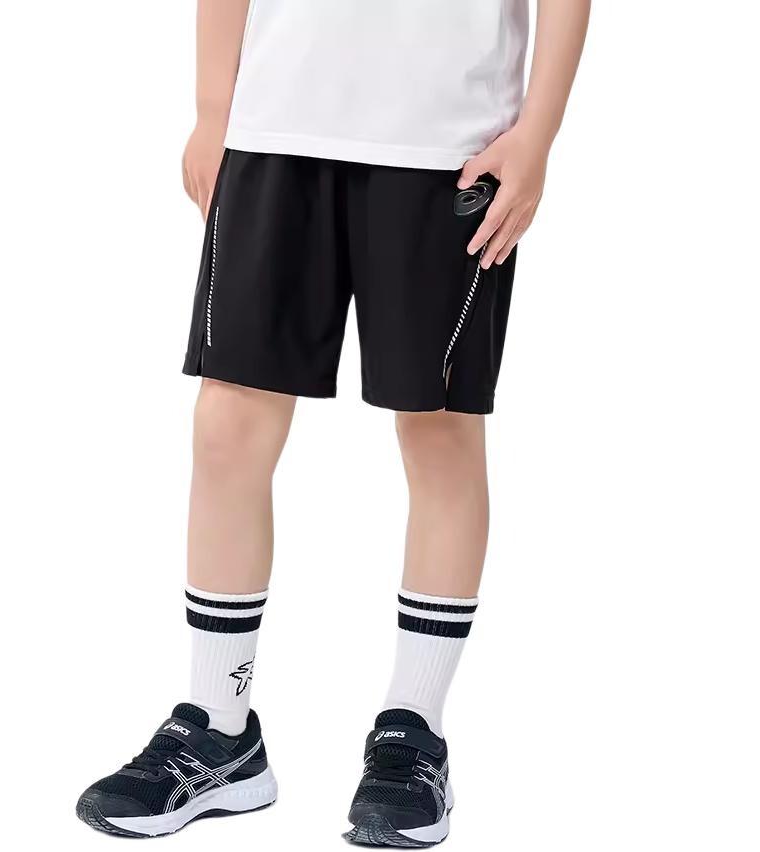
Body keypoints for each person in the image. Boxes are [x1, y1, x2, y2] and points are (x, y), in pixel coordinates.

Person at [76, 0, 589, 845]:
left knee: (438, 427)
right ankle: (219, 728)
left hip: (451, 142)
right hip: (274, 122)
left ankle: (411, 734)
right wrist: (213, 107)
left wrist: (539, 132)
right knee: (228, 424)